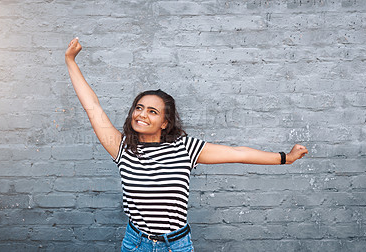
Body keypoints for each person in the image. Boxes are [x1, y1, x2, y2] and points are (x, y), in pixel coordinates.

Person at [65, 37, 308, 252]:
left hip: (176, 245)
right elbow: (93, 107)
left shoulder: (185, 148)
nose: (142, 115)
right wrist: (71, 61)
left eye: (152, 111)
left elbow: (238, 153)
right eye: (138, 108)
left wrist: (286, 157)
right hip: (135, 243)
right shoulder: (122, 148)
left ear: (164, 122)